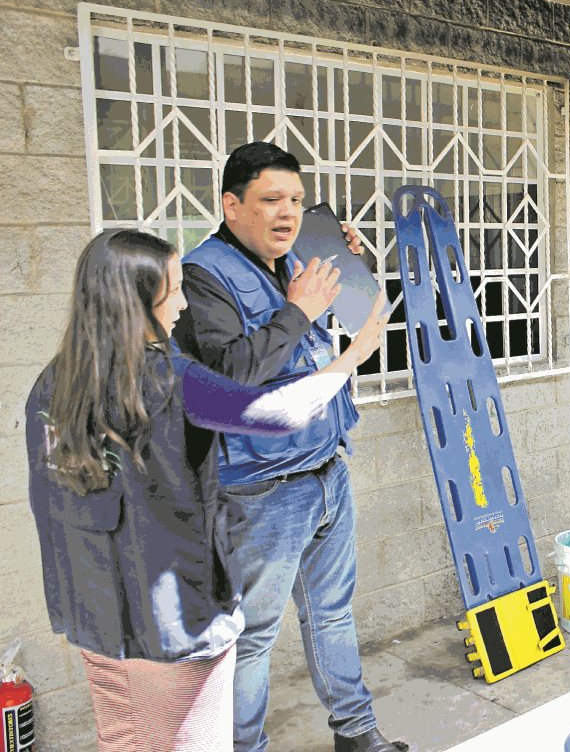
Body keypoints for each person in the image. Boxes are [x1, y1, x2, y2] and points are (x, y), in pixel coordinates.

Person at [25, 230, 387, 751]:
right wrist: (351, 358)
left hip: (93, 615)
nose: (183, 303)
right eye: (171, 291)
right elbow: (273, 412)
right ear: (135, 302)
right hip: (168, 619)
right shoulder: (167, 378)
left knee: (125, 736)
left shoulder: (54, 381)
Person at [172, 142, 405, 752]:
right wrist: (299, 310)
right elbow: (228, 375)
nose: (288, 214)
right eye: (272, 200)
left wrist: (349, 261)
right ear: (231, 204)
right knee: (250, 637)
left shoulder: (296, 257)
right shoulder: (203, 276)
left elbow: (367, 316)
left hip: (327, 468)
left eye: (297, 201)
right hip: (261, 490)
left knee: (333, 614)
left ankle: (357, 734)